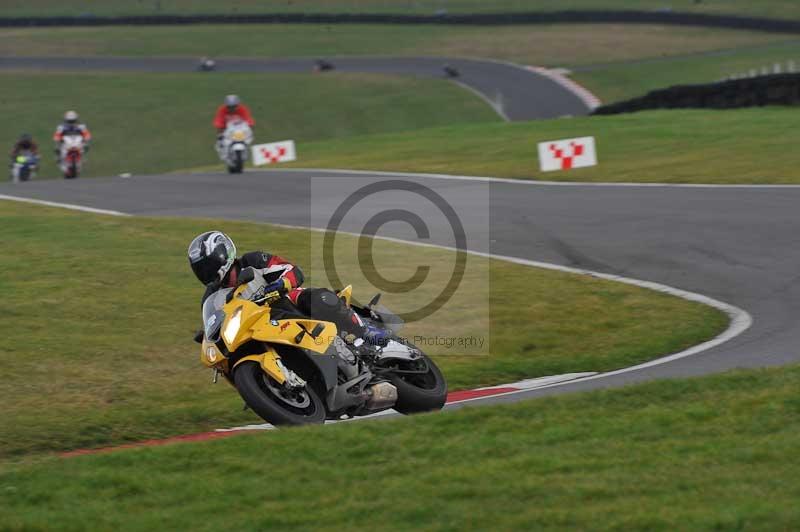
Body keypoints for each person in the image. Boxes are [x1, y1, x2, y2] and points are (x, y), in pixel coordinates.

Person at [188, 231, 388, 347]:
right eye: (200, 269)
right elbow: (214, 323)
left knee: (315, 298)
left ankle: (365, 331)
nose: (205, 273)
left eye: (207, 265)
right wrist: (207, 335)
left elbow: (292, 270)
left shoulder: (253, 261)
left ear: (223, 254)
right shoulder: (211, 295)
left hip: (287, 304)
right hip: (260, 329)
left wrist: (281, 283)